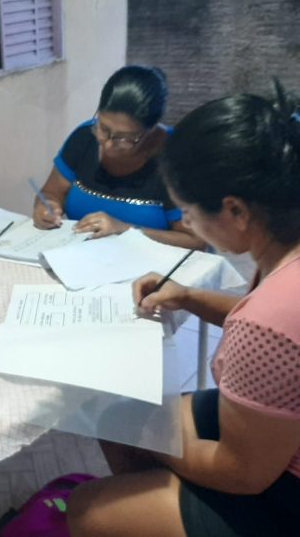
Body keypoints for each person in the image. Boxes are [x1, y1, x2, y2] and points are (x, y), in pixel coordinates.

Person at [67, 85, 300, 536]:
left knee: (86, 508)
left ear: (235, 210)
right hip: (278, 440)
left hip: (282, 493)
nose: (189, 224)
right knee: (119, 418)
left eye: (190, 213)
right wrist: (189, 296)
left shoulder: (268, 319)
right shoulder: (284, 262)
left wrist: (156, 439)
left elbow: (241, 473)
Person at [33, 65, 204, 249]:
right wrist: (46, 207)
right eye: (103, 128)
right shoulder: (84, 138)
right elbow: (50, 193)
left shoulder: (177, 159)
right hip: (83, 259)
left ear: (151, 129)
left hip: (154, 269)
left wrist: (125, 230)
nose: (107, 143)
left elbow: (196, 241)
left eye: (124, 137)